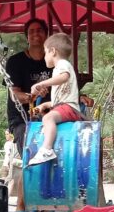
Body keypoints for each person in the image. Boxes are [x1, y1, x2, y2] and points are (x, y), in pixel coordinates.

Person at [4, 19, 51, 209]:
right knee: (30, 158)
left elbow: (65, 89)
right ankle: (20, 209)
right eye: (31, 31)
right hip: (22, 120)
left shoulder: (54, 61)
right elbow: (14, 95)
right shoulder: (15, 62)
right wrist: (33, 96)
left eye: (40, 30)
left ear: (46, 35)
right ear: (27, 37)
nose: (35, 34)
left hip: (48, 118)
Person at [27, 34, 82, 166]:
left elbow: (64, 77)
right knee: (46, 118)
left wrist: (41, 84)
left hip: (69, 108)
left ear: (53, 51)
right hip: (65, 106)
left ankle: (47, 149)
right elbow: (59, 100)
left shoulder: (62, 64)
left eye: (46, 52)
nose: (44, 56)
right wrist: (43, 106)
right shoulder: (59, 68)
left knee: (48, 118)